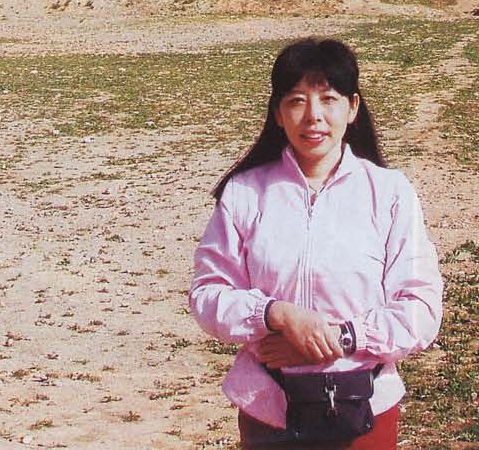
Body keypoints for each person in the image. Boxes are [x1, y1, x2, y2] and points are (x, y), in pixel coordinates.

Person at [189, 37, 443, 448]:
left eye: (328, 99)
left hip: (366, 411)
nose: (313, 117)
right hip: (269, 410)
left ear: (353, 108)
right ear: (277, 113)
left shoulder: (391, 193)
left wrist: (336, 340)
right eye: (296, 101)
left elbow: (420, 309)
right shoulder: (244, 193)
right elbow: (208, 294)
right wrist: (278, 315)